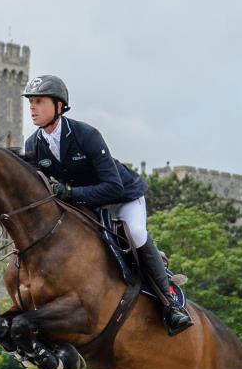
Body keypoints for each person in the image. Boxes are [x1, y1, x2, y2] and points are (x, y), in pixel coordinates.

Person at [21, 74, 193, 335]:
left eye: (39, 101)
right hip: (85, 204)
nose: (32, 107)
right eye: (31, 102)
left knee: (134, 233)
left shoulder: (85, 135)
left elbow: (114, 186)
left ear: (58, 106)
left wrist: (69, 192)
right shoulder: (33, 144)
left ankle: (170, 304)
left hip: (122, 198)